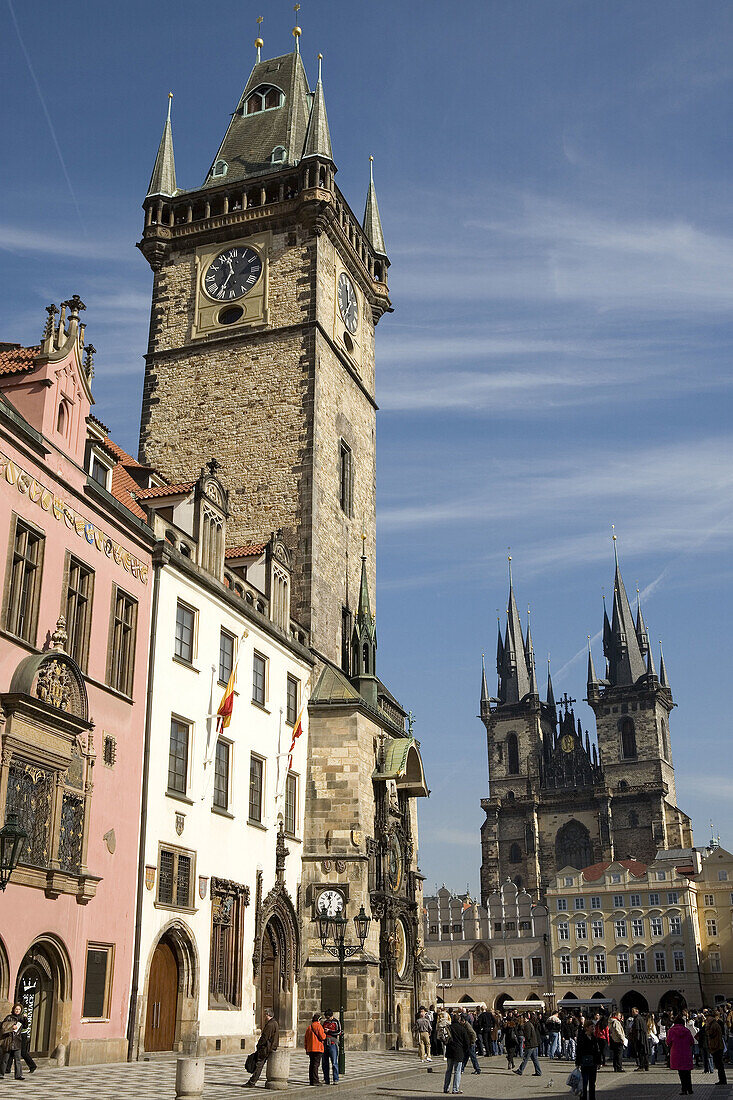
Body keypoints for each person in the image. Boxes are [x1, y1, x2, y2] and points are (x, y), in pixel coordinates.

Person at [245, 1009, 280, 1087]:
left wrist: (259, 1045)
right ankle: (253, 1081)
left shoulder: (270, 1025)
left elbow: (264, 1037)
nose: (264, 1016)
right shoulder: (275, 1023)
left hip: (266, 1048)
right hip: (270, 1047)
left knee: (259, 1065)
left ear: (268, 1015)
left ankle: (252, 1081)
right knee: (260, 1064)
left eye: (265, 1015)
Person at [575, 1019, 603, 1100]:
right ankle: (583, 1098)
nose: (593, 1028)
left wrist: (599, 1062)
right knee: (584, 1083)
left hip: (593, 1062)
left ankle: (592, 1098)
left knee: (592, 1083)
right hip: (584, 1062)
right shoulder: (582, 1037)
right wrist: (578, 1062)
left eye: (594, 1026)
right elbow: (579, 1050)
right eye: (592, 1026)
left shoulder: (594, 1038)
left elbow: (597, 1051)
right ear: (586, 1028)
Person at [667, 1014, 695, 1095]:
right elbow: (691, 1042)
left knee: (681, 1073)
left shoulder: (671, 1031)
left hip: (676, 1053)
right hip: (686, 1053)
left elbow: (668, 1042)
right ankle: (690, 1089)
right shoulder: (687, 1031)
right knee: (687, 1072)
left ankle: (684, 1089)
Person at [443, 1012, 471, 1094]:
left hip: (450, 1050)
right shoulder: (462, 1029)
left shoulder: (449, 1028)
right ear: (459, 1020)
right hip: (459, 1051)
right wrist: (465, 1051)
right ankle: (455, 1089)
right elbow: (467, 1042)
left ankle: (446, 1088)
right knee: (457, 1071)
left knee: (448, 1070)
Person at [0, 1009, 25, 1081]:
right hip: (8, 1040)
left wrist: (25, 1018)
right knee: (5, 1058)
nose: (17, 1011)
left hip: (17, 1040)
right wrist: (12, 1026)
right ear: (13, 1010)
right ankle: (1, 1073)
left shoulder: (21, 1018)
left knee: (18, 1059)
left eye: (19, 1009)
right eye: (16, 1009)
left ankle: (18, 1075)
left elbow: (26, 1026)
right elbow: (3, 1026)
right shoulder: (9, 1017)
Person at [514, 1013, 542, 1077]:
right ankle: (538, 1072)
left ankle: (520, 1070)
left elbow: (528, 1036)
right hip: (534, 1044)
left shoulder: (527, 1025)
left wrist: (525, 1042)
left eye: (522, 1018)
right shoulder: (529, 1024)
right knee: (535, 1059)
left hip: (530, 1044)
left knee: (525, 1058)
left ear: (525, 1018)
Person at [304, 1013, 326, 1087]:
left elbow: (306, 1039)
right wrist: (325, 1033)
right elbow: (322, 1037)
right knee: (316, 1065)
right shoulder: (319, 1026)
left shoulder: (309, 1027)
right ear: (318, 1020)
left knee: (312, 1064)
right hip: (318, 1048)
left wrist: (306, 1048)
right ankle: (315, 1080)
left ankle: (311, 1080)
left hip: (310, 1048)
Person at [706, 1012, 727, 1086]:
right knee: (719, 1065)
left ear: (712, 1017)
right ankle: (722, 1080)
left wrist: (707, 1026)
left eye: (708, 1017)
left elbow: (710, 1034)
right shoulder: (714, 1024)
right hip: (717, 1046)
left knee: (719, 1065)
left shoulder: (713, 1025)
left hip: (717, 1047)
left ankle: (722, 1080)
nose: (707, 1019)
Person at [321, 1009, 341, 1084]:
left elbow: (339, 1032)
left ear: (331, 1016)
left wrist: (329, 1031)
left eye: (328, 1017)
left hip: (332, 1043)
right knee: (324, 1063)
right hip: (325, 1043)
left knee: (334, 1062)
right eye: (326, 1018)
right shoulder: (325, 1022)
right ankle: (326, 1079)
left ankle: (335, 1079)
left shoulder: (336, 1022)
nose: (327, 1019)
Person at [630, 1007, 650, 1071]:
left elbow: (637, 1030)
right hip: (643, 1037)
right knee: (644, 1052)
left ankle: (642, 1066)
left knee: (641, 1052)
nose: (632, 1013)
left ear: (637, 1011)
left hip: (640, 1038)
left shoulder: (637, 1019)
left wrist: (637, 1039)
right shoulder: (641, 1018)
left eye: (633, 1011)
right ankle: (646, 1066)